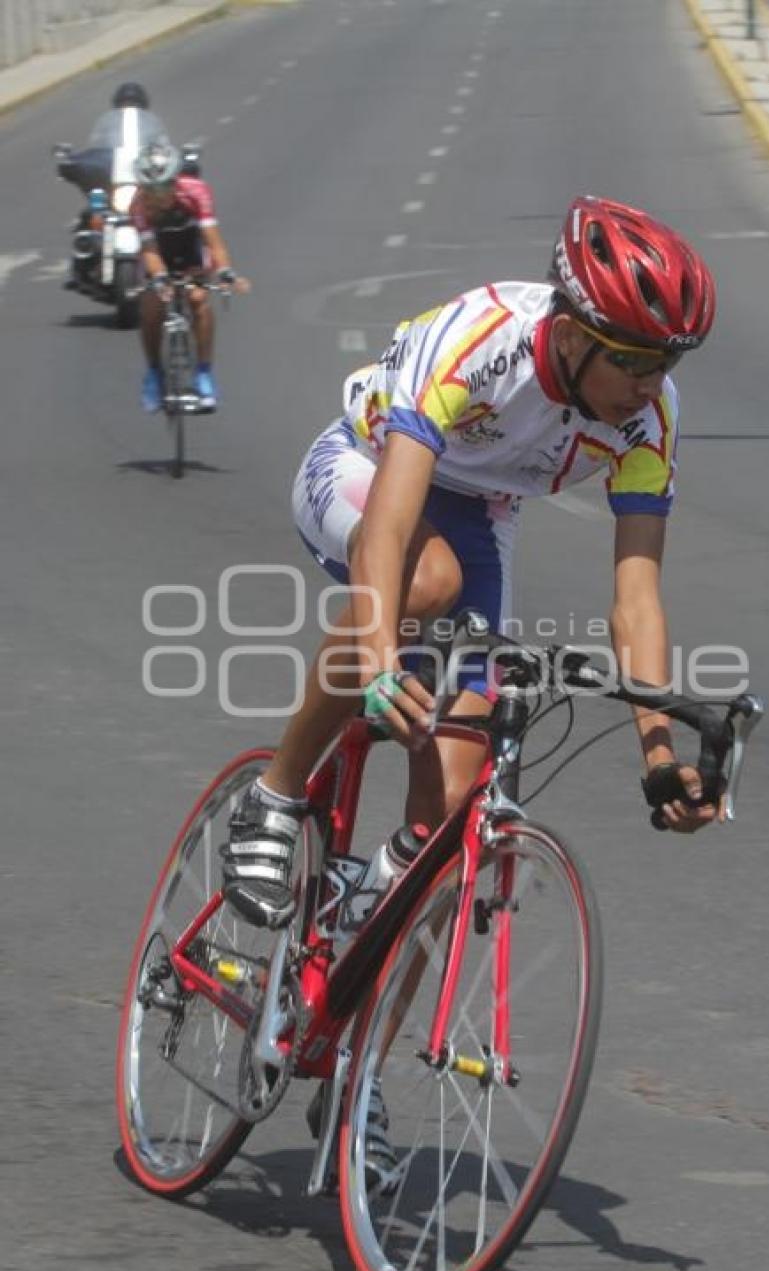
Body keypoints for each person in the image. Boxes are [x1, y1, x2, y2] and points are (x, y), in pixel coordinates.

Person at [222, 194, 719, 1182]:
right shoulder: (481, 339)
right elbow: (397, 517)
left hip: (480, 513)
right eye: (631, 358)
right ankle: (274, 794)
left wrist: (658, 750)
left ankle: (353, 1067)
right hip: (367, 469)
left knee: (452, 815)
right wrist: (373, 651)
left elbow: (636, 594)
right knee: (428, 585)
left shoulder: (649, 414)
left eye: (666, 362)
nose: (648, 383)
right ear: (572, 335)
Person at [130, 141, 249, 413]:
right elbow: (149, 251)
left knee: (198, 299)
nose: (155, 197)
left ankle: (204, 373)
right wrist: (160, 279)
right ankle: (153, 374)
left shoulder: (196, 192)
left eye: (162, 188)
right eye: (149, 189)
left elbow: (214, 242)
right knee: (150, 309)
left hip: (191, 251)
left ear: (175, 181)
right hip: (159, 253)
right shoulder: (138, 205)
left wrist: (225, 271)